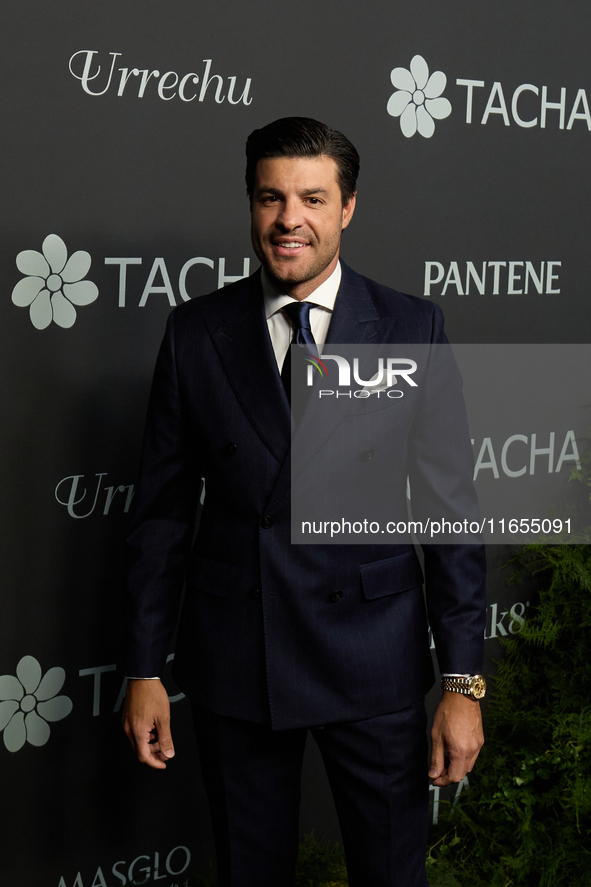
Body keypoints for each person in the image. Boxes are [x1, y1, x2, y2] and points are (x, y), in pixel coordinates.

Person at [122, 116, 487, 887]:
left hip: (374, 657)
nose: (290, 219)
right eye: (270, 198)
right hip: (236, 656)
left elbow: (452, 515)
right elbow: (159, 515)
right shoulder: (194, 332)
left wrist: (460, 684)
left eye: (312, 198)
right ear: (251, 205)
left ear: (347, 208)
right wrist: (145, 666)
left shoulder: (412, 327)